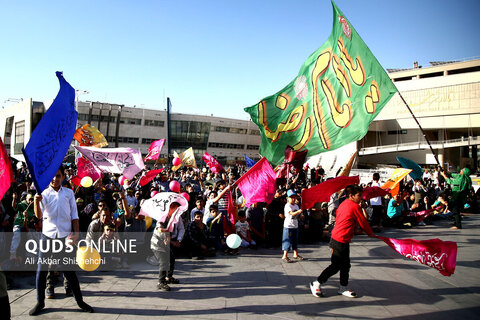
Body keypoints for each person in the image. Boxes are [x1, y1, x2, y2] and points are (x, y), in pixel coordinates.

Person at [29, 167, 93, 316]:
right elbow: (39, 216)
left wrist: (76, 234)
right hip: (48, 236)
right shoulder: (43, 193)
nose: (54, 179)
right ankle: (40, 301)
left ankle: (80, 301)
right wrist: (35, 202)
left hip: (65, 238)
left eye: (58, 176)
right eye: (52, 176)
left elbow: (74, 216)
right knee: (41, 271)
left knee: (70, 271)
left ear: (63, 177)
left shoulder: (69, 193)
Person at [310, 185, 374, 298]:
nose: (361, 198)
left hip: (340, 238)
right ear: (351, 196)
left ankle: (343, 288)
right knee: (336, 265)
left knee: (345, 265)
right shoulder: (354, 206)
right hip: (339, 238)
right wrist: (370, 234)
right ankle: (317, 283)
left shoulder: (343, 203)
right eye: (359, 196)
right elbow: (363, 222)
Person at [281, 190, 304, 263]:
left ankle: (295, 254)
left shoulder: (296, 206)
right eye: (291, 197)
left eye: (294, 197)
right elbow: (291, 213)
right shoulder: (287, 205)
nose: (293, 199)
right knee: (287, 240)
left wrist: (301, 216)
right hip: (288, 226)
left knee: (295, 240)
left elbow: (297, 216)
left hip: (295, 225)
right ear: (288, 198)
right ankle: (285, 255)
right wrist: (298, 212)